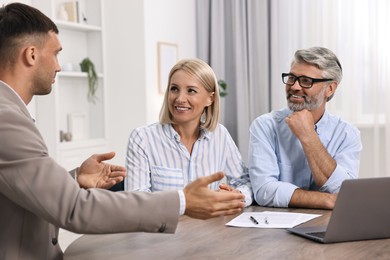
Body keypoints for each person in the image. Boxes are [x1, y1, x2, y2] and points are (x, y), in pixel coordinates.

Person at [0, 3, 245, 259]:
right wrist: (183, 201)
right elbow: (75, 210)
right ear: (30, 55)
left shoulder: (11, 113)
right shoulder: (7, 117)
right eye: (56, 54)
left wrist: (74, 179)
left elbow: (28, 185)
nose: (58, 67)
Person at [125, 58, 253, 206]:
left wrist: (236, 195)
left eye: (191, 91)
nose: (180, 99)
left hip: (210, 227)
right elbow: (135, 203)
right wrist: (186, 203)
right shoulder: (142, 138)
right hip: (165, 228)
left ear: (210, 99)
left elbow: (245, 182)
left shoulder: (220, 135)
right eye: (174, 89)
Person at [248, 47, 362, 210]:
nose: (294, 87)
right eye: (291, 78)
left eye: (306, 81)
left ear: (329, 89)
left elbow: (344, 192)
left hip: (327, 225)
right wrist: (325, 200)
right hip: (275, 227)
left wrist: (308, 135)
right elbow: (264, 190)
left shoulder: (347, 134)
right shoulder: (265, 126)